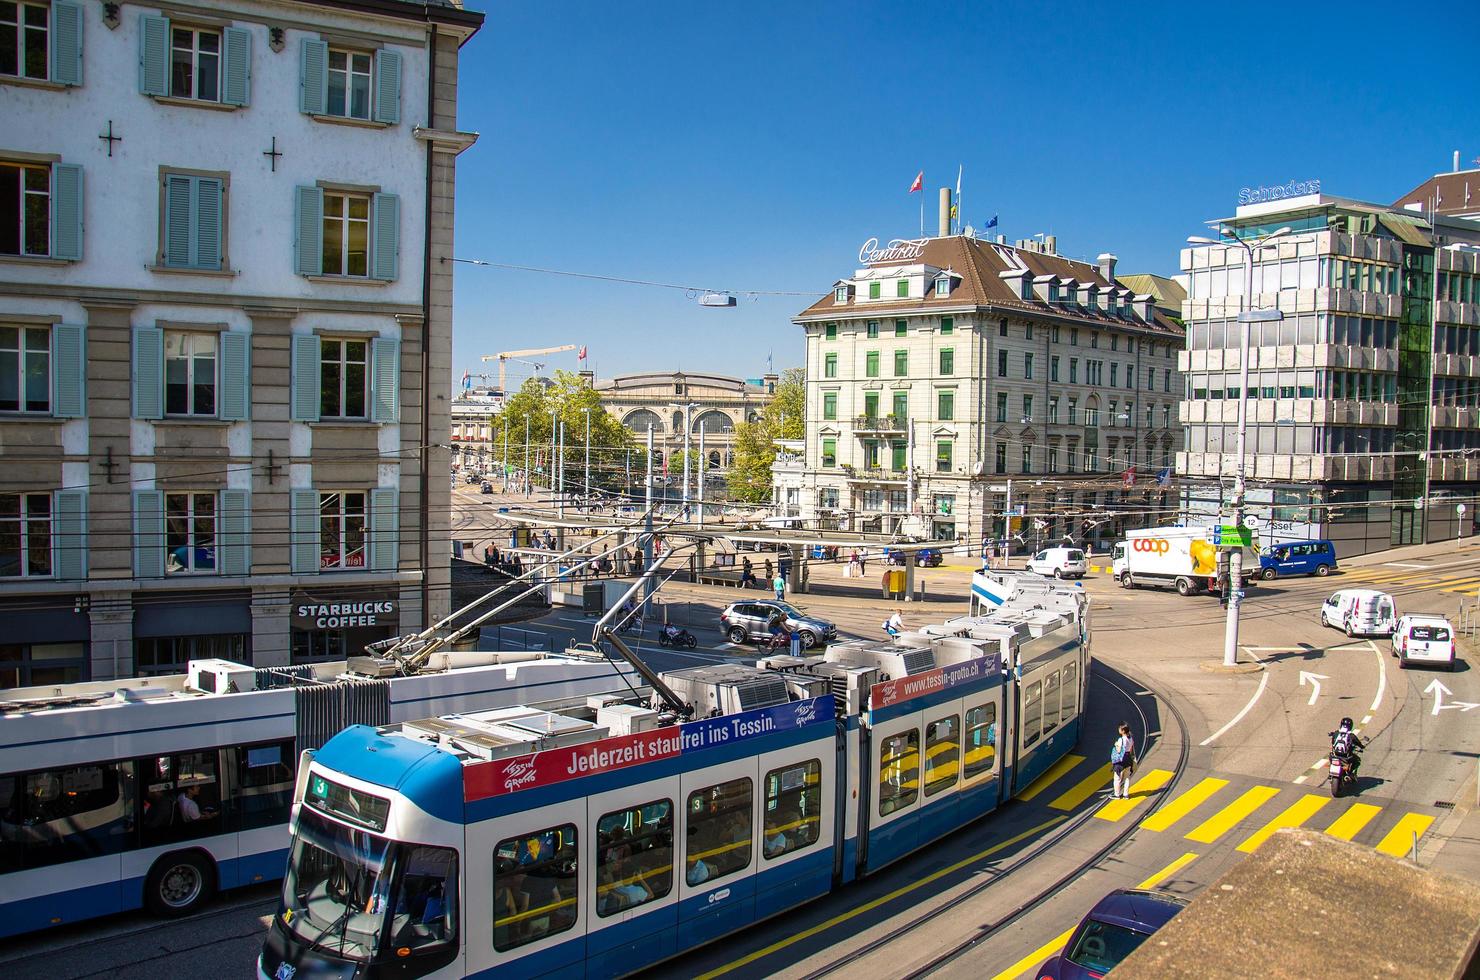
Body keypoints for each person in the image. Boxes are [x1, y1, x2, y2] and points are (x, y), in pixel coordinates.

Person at [1110, 723, 1136, 799]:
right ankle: (1126, 794)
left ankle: (1117, 794)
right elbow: (1131, 750)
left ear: (1123, 731)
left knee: (1117, 778)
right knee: (1127, 777)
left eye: (1119, 729)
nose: (1118, 730)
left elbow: (1118, 751)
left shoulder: (1121, 739)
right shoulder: (1130, 738)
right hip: (1128, 759)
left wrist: (1116, 744)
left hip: (1121, 760)